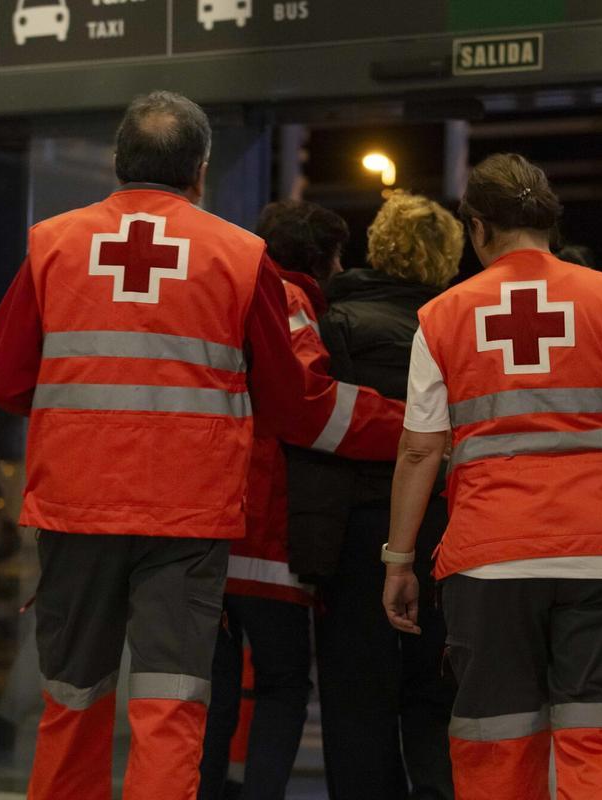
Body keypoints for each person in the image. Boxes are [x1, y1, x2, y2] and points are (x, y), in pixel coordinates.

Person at [0, 90, 404, 800]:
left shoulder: (53, 243)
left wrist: (75, 418)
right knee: (170, 705)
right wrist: (407, 425)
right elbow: (295, 405)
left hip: (76, 508)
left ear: (118, 161)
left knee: (73, 696)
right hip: (187, 516)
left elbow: (0, 375)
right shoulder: (240, 256)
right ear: (200, 170)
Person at [382, 153, 602, 799]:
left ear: (477, 228)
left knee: (497, 743)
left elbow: (419, 451)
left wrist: (399, 561)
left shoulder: (442, 317)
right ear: (549, 221)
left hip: (490, 558)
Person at [200, 199, 386, 800]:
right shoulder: (289, 300)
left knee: (213, 692)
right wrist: (408, 424)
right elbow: (310, 405)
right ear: (325, 260)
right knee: (281, 685)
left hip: (207, 530)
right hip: (269, 531)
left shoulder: (223, 296)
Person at [294, 191, 462, 799]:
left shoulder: (336, 321)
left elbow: (317, 427)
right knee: (439, 687)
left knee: (355, 694)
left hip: (358, 530)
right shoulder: (455, 326)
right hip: (443, 525)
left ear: (378, 246)